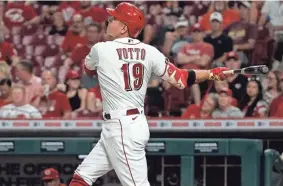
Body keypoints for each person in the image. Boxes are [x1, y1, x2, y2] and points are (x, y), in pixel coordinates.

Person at [69, 2, 230, 186]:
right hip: (126, 125)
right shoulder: (149, 51)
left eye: (113, 18)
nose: (109, 21)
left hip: (122, 127)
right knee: (82, 177)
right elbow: (181, 78)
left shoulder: (101, 49)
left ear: (123, 27)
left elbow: (88, 75)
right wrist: (210, 73)